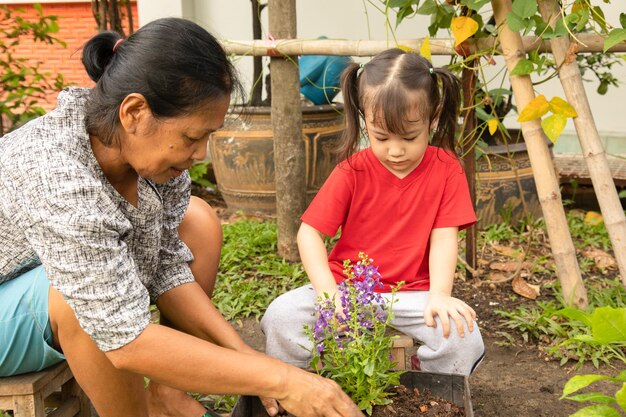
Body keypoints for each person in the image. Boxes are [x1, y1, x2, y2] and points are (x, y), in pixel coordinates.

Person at [0, 18, 364, 417]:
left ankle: (167, 397)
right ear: (135, 112)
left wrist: (247, 356)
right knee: (74, 298)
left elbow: (168, 268)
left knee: (198, 222)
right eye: (192, 138)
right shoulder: (55, 171)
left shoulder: (148, 158)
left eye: (208, 136)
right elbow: (124, 337)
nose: (201, 153)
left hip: (41, 288)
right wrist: (281, 380)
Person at [261, 48, 485, 376]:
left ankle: (421, 384)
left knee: (464, 337)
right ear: (364, 118)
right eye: (380, 137)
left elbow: (444, 239)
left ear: (432, 119)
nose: (395, 150)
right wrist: (327, 291)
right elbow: (309, 233)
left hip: (414, 296)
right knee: (282, 315)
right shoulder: (352, 171)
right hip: (348, 288)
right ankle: (296, 387)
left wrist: (439, 296)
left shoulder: (446, 169)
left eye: (409, 137)